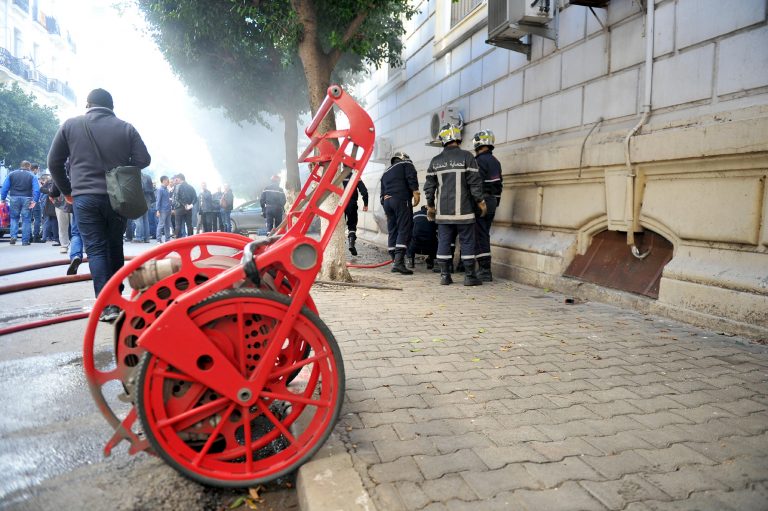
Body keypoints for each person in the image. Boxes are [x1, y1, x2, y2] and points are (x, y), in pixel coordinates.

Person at [47, 88, 151, 322]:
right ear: (111, 107)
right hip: (118, 198)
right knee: (114, 245)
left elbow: (53, 162)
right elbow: (144, 159)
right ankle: (117, 298)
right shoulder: (126, 127)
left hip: (84, 197)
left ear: (88, 104)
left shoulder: (70, 126)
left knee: (95, 248)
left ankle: (107, 305)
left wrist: (68, 191)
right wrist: (120, 170)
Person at [423, 123, 486, 286]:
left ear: (443, 140)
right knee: (467, 242)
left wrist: (430, 206)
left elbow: (429, 187)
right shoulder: (467, 157)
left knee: (443, 241)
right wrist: (481, 202)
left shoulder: (435, 161)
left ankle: (445, 276)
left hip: (443, 214)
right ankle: (470, 276)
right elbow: (475, 183)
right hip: (465, 212)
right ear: (458, 138)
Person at [380, 151, 419, 274]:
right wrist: (415, 191)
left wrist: (384, 202)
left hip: (387, 202)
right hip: (401, 200)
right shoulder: (406, 163)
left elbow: (382, 192)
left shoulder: (386, 172)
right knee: (404, 228)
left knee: (393, 230)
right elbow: (411, 176)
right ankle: (399, 263)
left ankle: (394, 260)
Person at [472, 129, 503, 282]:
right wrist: (495, 201)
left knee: (479, 234)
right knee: (484, 232)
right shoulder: (495, 161)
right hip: (492, 201)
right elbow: (499, 184)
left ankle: (484, 270)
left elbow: (475, 184)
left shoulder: (478, 161)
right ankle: (483, 268)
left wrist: (478, 200)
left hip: (480, 202)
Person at [1, 160, 40, 245]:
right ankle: (25, 241)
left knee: (14, 218)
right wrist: (35, 200)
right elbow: (37, 190)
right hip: (27, 198)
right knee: (26, 219)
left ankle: (13, 236)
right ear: (29, 166)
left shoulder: (11, 174)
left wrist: (3, 198)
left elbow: (4, 187)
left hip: (14, 197)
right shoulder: (32, 176)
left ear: (21, 165)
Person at [342, 175, 368, 255]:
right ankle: (351, 244)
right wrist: (366, 204)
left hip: (340, 205)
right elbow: (364, 191)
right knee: (352, 226)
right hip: (351, 204)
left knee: (338, 227)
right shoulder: (355, 176)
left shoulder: (339, 176)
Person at [406, 205, 438, 270]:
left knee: (406, 238)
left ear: (421, 209)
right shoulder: (434, 216)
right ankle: (430, 261)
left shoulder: (415, 214)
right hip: (430, 247)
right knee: (436, 240)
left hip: (414, 246)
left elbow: (409, 228)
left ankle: (410, 261)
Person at [171, 173, 196, 238]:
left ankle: (177, 239)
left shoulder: (177, 186)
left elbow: (178, 198)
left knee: (178, 225)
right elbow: (195, 198)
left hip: (179, 208)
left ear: (179, 178)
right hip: (189, 208)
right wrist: (191, 205)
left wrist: (184, 204)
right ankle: (191, 239)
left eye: (176, 178)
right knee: (189, 225)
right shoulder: (191, 187)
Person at [134, 171, 154, 243]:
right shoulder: (148, 176)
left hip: (140, 200)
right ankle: (147, 238)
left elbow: (139, 189)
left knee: (138, 220)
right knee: (146, 220)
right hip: (147, 200)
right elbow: (151, 189)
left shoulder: (137, 176)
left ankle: (139, 237)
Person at [155, 175, 172, 242]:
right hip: (162, 210)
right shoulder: (160, 189)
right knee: (161, 225)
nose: (168, 182)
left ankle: (167, 239)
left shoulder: (166, 189)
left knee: (167, 225)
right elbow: (158, 200)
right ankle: (158, 240)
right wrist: (158, 210)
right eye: (167, 180)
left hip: (168, 210)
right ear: (164, 180)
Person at [30, 163, 44, 242]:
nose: (38, 171)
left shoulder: (27, 176)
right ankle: (36, 236)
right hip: (35, 201)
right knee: (37, 218)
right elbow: (38, 189)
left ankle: (28, 236)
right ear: (35, 169)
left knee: (28, 219)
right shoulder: (35, 177)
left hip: (27, 199)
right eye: (38, 169)